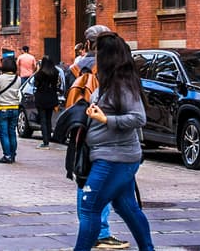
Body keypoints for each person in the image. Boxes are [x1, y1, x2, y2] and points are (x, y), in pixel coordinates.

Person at [72, 33, 156, 251]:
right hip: (110, 155)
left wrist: (105, 119)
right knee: (126, 206)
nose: (95, 58)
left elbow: (139, 118)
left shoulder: (124, 86)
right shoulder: (109, 83)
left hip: (114, 158)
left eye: (98, 53)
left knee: (89, 207)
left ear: (107, 57)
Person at [66, 24, 124, 250]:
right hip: (99, 129)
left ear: (87, 44)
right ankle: (101, 231)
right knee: (99, 180)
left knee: (83, 179)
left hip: (79, 130)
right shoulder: (103, 68)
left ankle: (91, 229)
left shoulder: (74, 67)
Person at [0, 55, 23, 164]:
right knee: (12, 132)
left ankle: (7, 155)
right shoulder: (18, 79)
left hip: (2, 108)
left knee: (4, 133)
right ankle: (13, 154)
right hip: (14, 108)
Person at [33, 55, 62, 148]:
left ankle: (45, 141)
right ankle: (48, 138)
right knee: (48, 119)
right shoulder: (56, 72)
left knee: (43, 120)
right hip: (51, 97)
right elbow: (56, 86)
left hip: (41, 97)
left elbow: (36, 84)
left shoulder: (39, 74)